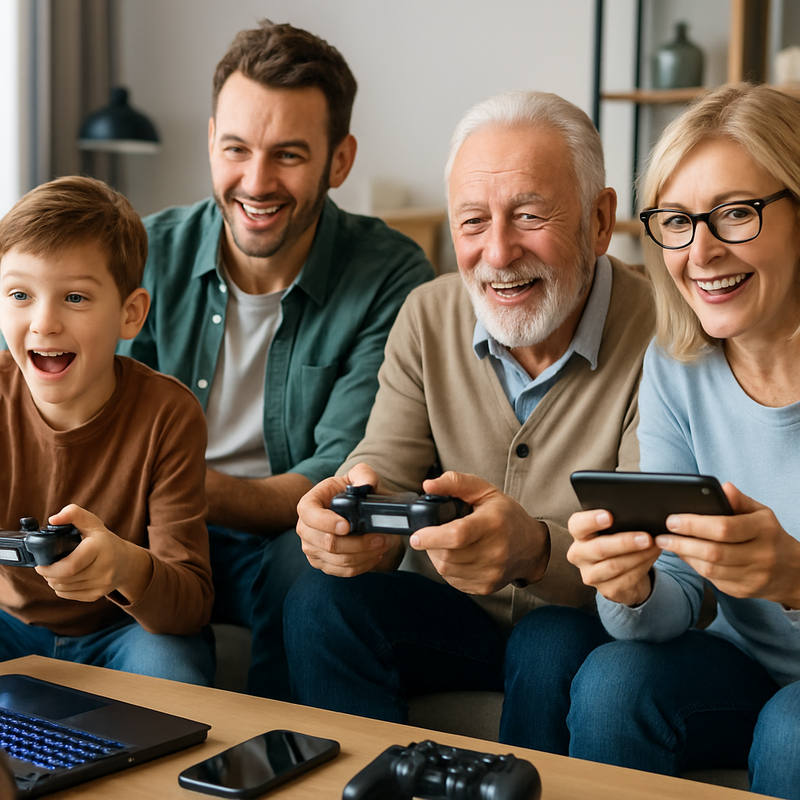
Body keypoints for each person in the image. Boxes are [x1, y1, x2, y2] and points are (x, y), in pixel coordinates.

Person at [283, 90, 655, 747]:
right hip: (453, 618)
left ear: (599, 221)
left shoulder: (660, 333)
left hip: (579, 619)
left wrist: (536, 549)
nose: (499, 253)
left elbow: (642, 551)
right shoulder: (428, 315)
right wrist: (349, 521)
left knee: (548, 637)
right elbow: (380, 467)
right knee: (318, 603)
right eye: (473, 222)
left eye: (529, 216)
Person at [117, 20, 434, 700]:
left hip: (282, 545)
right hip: (154, 534)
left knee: (314, 560)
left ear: (339, 160)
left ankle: (281, 760)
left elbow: (340, 476)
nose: (255, 182)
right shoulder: (142, 252)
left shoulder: (391, 276)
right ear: (211, 143)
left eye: (288, 155)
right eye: (236, 149)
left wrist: (176, 486)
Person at [559, 83, 800, 800]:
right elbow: (681, 599)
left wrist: (793, 578)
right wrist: (630, 588)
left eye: (734, 213)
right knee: (610, 682)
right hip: (741, 665)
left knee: (793, 727)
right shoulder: (675, 366)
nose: (700, 252)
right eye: (676, 221)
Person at [0, 176, 214, 684]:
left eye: (75, 297)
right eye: (20, 294)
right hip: (10, 624)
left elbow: (189, 604)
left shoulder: (169, 414)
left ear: (130, 314)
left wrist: (124, 567)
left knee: (174, 673)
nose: (44, 322)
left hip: (122, 630)